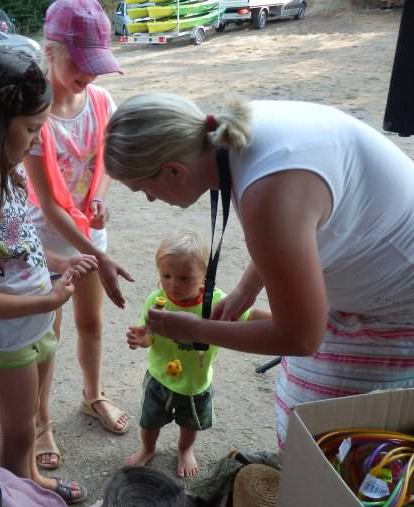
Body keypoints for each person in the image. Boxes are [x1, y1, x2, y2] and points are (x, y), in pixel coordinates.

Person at [104, 93, 414, 447]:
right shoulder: (236, 135)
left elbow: (300, 339)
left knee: (318, 435)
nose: (148, 198)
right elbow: (293, 230)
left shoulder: (269, 191)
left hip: (397, 301)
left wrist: (195, 330)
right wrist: (246, 289)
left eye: (143, 188)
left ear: (174, 170)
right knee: (300, 405)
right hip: (369, 274)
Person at [0, 50, 95, 504]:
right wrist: (48, 300)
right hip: (7, 341)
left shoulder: (9, 174)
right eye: (30, 129)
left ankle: (35, 482)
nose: (36, 140)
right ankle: (13, 504)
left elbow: (20, 246)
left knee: (29, 423)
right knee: (19, 433)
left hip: (37, 325)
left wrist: (58, 264)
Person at [22, 0, 133, 464]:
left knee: (91, 322)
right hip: (45, 241)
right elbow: (49, 202)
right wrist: (98, 254)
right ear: (51, 51)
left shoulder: (101, 102)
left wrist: (100, 198)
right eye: (80, 63)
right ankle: (40, 421)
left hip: (88, 234)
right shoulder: (33, 112)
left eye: (96, 63)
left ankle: (92, 395)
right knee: (47, 334)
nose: (90, 74)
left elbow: (103, 161)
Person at [125, 232, 269, 476]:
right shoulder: (156, 300)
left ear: (205, 276)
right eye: (166, 276)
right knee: (149, 421)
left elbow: (250, 316)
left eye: (185, 278)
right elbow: (148, 334)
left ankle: (185, 450)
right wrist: (143, 339)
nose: (173, 284)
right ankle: (147, 448)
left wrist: (284, 321)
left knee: (189, 425)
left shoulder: (216, 302)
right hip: (158, 378)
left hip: (195, 382)